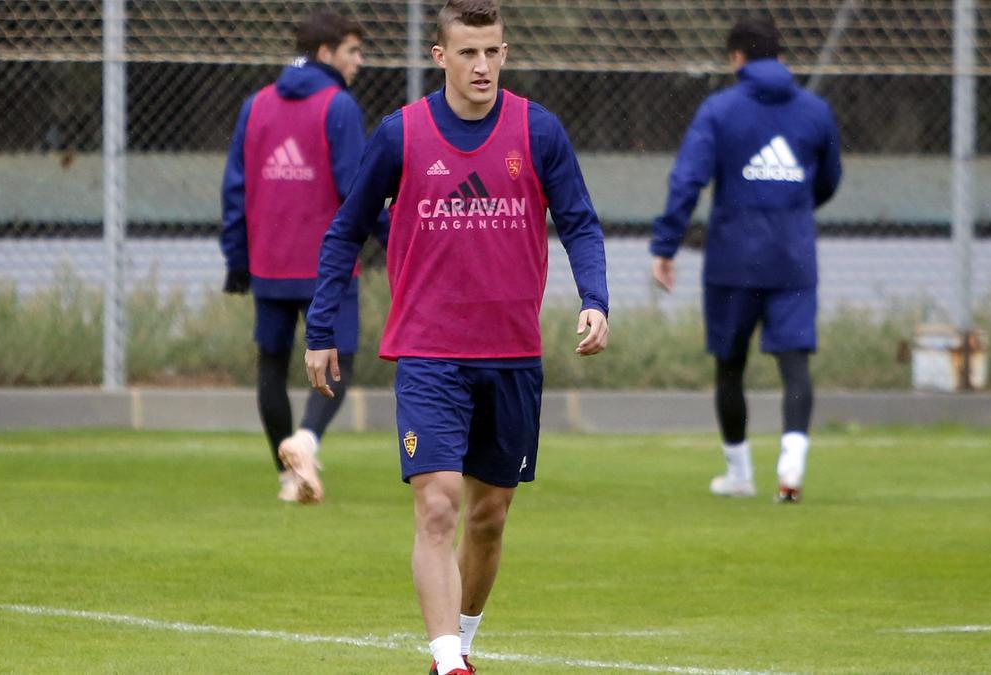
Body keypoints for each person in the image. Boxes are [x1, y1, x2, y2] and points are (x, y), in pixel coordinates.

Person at [304, 1, 610, 671]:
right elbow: (344, 230)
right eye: (467, 52)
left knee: (488, 517)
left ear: (505, 52)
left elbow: (581, 222)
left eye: (492, 51)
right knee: (438, 503)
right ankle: (449, 660)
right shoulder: (401, 134)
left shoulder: (539, 131)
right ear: (439, 56)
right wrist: (321, 325)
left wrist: (595, 299)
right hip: (429, 352)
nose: (482, 65)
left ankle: (463, 636)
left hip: (512, 356)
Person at [651, 15, 843, 503]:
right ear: (781, 55)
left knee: (730, 365)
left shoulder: (719, 111)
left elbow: (687, 179)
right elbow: (828, 179)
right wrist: (792, 208)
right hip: (793, 257)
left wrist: (666, 245)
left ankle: (739, 474)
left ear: (736, 58)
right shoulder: (815, 112)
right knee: (795, 362)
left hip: (733, 260)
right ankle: (792, 467)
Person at [220, 10, 370, 505]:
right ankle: (306, 441)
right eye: (353, 51)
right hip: (329, 267)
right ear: (326, 54)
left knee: (271, 365)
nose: (359, 62)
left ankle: (287, 475)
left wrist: (237, 258)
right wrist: (398, 239)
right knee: (339, 360)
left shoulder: (255, 105)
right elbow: (357, 189)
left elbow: (236, 189)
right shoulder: (339, 106)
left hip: (269, 264)